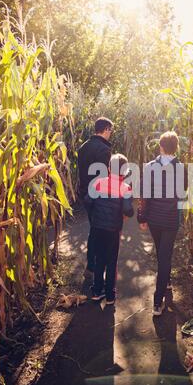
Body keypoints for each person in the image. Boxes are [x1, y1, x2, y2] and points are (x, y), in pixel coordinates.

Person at [137, 131, 187, 316]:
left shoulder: (150, 167)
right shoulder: (182, 168)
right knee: (165, 256)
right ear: (176, 148)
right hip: (171, 219)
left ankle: (164, 285)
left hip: (154, 220)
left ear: (160, 147)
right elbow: (183, 193)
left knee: (162, 252)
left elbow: (143, 193)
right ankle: (158, 303)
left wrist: (142, 218)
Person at [87, 153, 134, 305]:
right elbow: (128, 210)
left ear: (108, 168)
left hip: (97, 227)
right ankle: (110, 296)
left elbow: (88, 201)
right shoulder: (125, 188)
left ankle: (96, 291)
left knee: (99, 258)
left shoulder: (98, 183)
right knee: (112, 261)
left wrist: (95, 214)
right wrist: (129, 212)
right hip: (113, 229)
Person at [78, 117, 113, 280]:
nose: (111, 134)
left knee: (94, 228)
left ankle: (92, 266)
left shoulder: (83, 147)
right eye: (110, 130)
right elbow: (102, 177)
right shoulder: (104, 149)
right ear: (106, 129)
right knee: (97, 230)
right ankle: (93, 267)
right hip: (97, 196)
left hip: (85, 193)